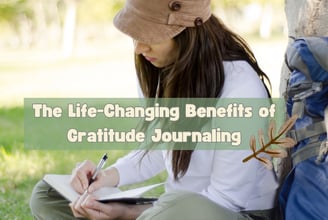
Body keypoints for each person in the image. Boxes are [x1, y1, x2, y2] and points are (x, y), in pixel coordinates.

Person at [30, 0, 280, 219]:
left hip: (231, 212)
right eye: (135, 35)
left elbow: (226, 199)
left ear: (188, 32)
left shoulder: (241, 88)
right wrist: (106, 178)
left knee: (178, 206)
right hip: (172, 208)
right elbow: (159, 150)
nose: (139, 47)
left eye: (149, 36)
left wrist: (128, 213)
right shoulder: (159, 69)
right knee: (47, 194)